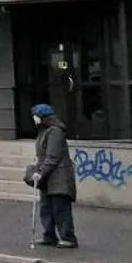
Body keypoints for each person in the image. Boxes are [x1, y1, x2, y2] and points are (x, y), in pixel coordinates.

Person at [26, 102, 78, 248]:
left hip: (59, 176)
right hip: (48, 177)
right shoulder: (44, 131)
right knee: (46, 208)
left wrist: (40, 172)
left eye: (36, 116)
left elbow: (52, 157)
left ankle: (68, 237)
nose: (34, 119)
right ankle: (49, 235)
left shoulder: (55, 131)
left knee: (60, 208)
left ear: (43, 117)